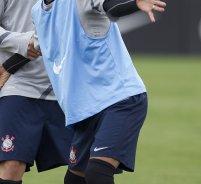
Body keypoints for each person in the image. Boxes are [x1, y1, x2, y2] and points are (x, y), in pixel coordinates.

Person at [30, 0, 167, 184]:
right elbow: (36, 45)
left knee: (97, 173)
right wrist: (5, 68)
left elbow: (110, 4)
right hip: (86, 110)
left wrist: (135, 3)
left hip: (120, 99)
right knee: (74, 179)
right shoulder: (37, 11)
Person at [0, 0, 73, 184]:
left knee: (84, 166)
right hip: (18, 83)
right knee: (12, 166)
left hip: (65, 83)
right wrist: (21, 43)